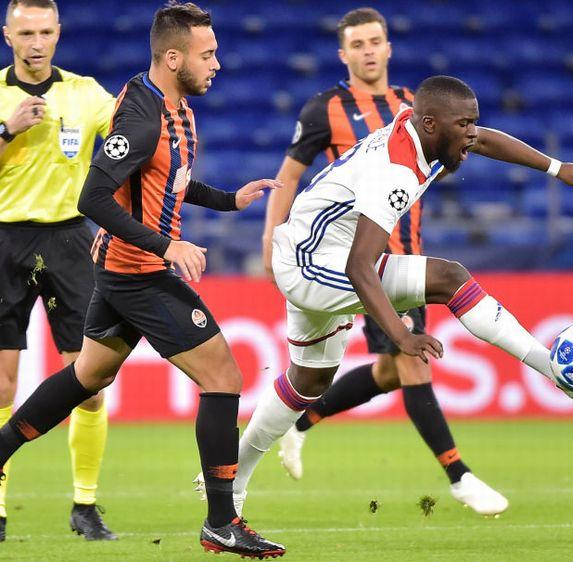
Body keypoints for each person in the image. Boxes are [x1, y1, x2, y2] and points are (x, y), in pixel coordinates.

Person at [233, 75, 573, 523]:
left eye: (473, 122)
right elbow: (360, 268)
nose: (472, 134)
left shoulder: (425, 130)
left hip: (318, 249)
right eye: (464, 125)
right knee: (447, 279)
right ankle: (549, 373)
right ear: (432, 124)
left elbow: (485, 141)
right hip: (310, 263)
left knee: (308, 383)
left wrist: (557, 168)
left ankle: (230, 482)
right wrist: (403, 336)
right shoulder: (395, 173)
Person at [0, 2, 286, 557]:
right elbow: (93, 197)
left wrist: (228, 200)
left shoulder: (173, 106)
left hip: (123, 271)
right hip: (138, 273)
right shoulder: (139, 114)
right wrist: (167, 246)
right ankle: (221, 521)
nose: (217, 64)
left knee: (88, 376)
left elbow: (168, 178)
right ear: (173, 58)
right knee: (224, 377)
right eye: (207, 55)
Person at [258, 7, 508, 516]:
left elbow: (450, 153)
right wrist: (270, 240)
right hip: (359, 261)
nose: (368, 51)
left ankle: (300, 423)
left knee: (392, 371)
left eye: (375, 41)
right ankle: (459, 476)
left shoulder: (416, 107)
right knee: (411, 363)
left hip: (407, 254)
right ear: (343, 54)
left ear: (388, 47)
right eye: (358, 44)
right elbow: (290, 176)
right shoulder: (325, 109)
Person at [0, 0, 117, 541]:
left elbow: (134, 138)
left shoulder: (86, 94)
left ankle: (85, 505)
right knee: (2, 384)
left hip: (70, 240)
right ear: (8, 35)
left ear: (59, 33)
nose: (37, 42)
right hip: (4, 239)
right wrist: (7, 129)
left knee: (89, 381)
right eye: (26, 32)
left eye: (45, 31)